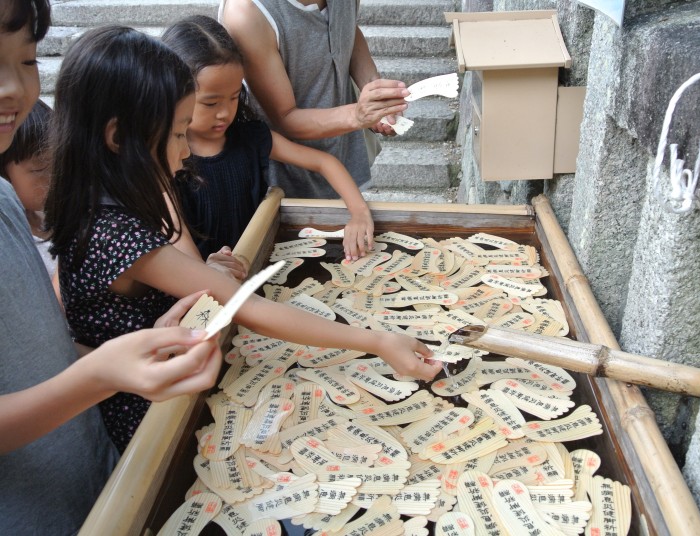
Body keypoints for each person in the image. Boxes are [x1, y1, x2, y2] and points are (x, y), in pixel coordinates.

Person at [44, 25, 442, 452]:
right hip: (146, 418)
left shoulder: (105, 200)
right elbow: (246, 306)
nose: (184, 151)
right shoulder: (113, 231)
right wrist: (378, 341)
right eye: (178, 133)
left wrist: (198, 273)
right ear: (119, 137)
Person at [0, 1, 223, 533]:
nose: (12, 87)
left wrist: (134, 347)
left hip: (96, 478)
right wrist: (102, 373)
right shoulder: (108, 225)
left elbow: (43, 349)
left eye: (28, 61)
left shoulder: (8, 199)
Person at [162, 15, 374, 261]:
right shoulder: (164, 159)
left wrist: (359, 212)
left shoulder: (249, 137)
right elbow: (177, 238)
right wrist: (209, 275)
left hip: (253, 264)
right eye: (210, 103)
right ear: (173, 94)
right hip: (201, 283)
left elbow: (323, 162)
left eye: (233, 97)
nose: (224, 113)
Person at [219, 0, 410, 198]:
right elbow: (286, 117)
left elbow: (346, 30)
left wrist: (373, 89)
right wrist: (357, 115)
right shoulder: (247, 12)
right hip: (281, 182)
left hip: (343, 155)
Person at [0, 99, 56, 276]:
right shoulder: (11, 245)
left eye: (58, 164)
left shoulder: (49, 215)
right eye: (40, 169)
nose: (54, 178)